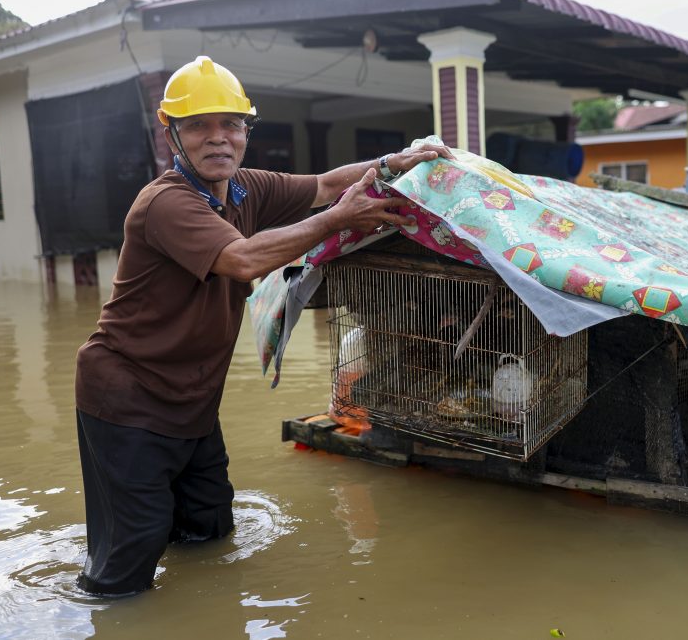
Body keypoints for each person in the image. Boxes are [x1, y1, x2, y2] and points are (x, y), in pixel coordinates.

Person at [74, 55, 451, 596]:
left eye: (231, 124)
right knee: (130, 555)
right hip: (128, 401)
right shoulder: (166, 204)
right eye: (198, 125)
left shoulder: (245, 188)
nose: (218, 138)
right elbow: (245, 260)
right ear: (172, 136)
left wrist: (395, 163)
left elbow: (324, 184)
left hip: (192, 400)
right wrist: (341, 218)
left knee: (209, 529)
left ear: (246, 131)